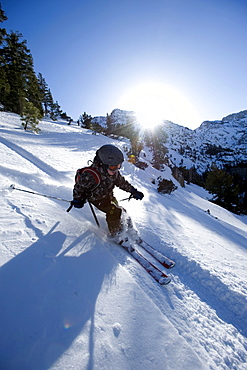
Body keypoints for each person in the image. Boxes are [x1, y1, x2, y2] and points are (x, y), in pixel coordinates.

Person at [72, 144, 144, 241]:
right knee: (114, 211)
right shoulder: (90, 175)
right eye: (113, 167)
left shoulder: (113, 173)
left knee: (122, 210)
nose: (117, 169)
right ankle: (116, 234)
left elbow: (121, 182)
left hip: (108, 196)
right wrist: (77, 200)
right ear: (102, 164)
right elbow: (78, 188)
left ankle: (129, 229)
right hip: (96, 199)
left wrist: (133, 191)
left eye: (119, 166)